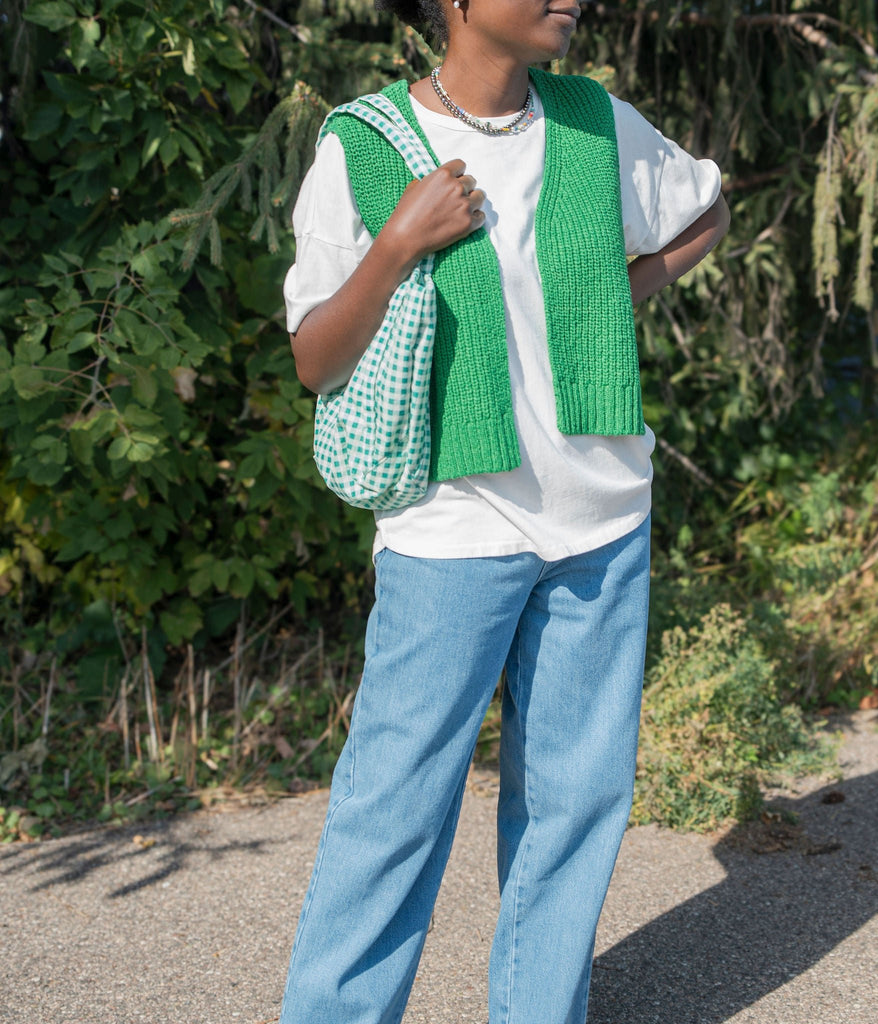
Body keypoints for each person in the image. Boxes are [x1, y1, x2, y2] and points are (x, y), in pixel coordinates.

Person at [279, 1, 729, 1021]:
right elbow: (314, 357)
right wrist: (397, 242)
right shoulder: (364, 142)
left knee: (574, 807)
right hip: (452, 530)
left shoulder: (594, 121)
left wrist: (623, 295)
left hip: (601, 522)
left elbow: (705, 206)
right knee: (391, 810)